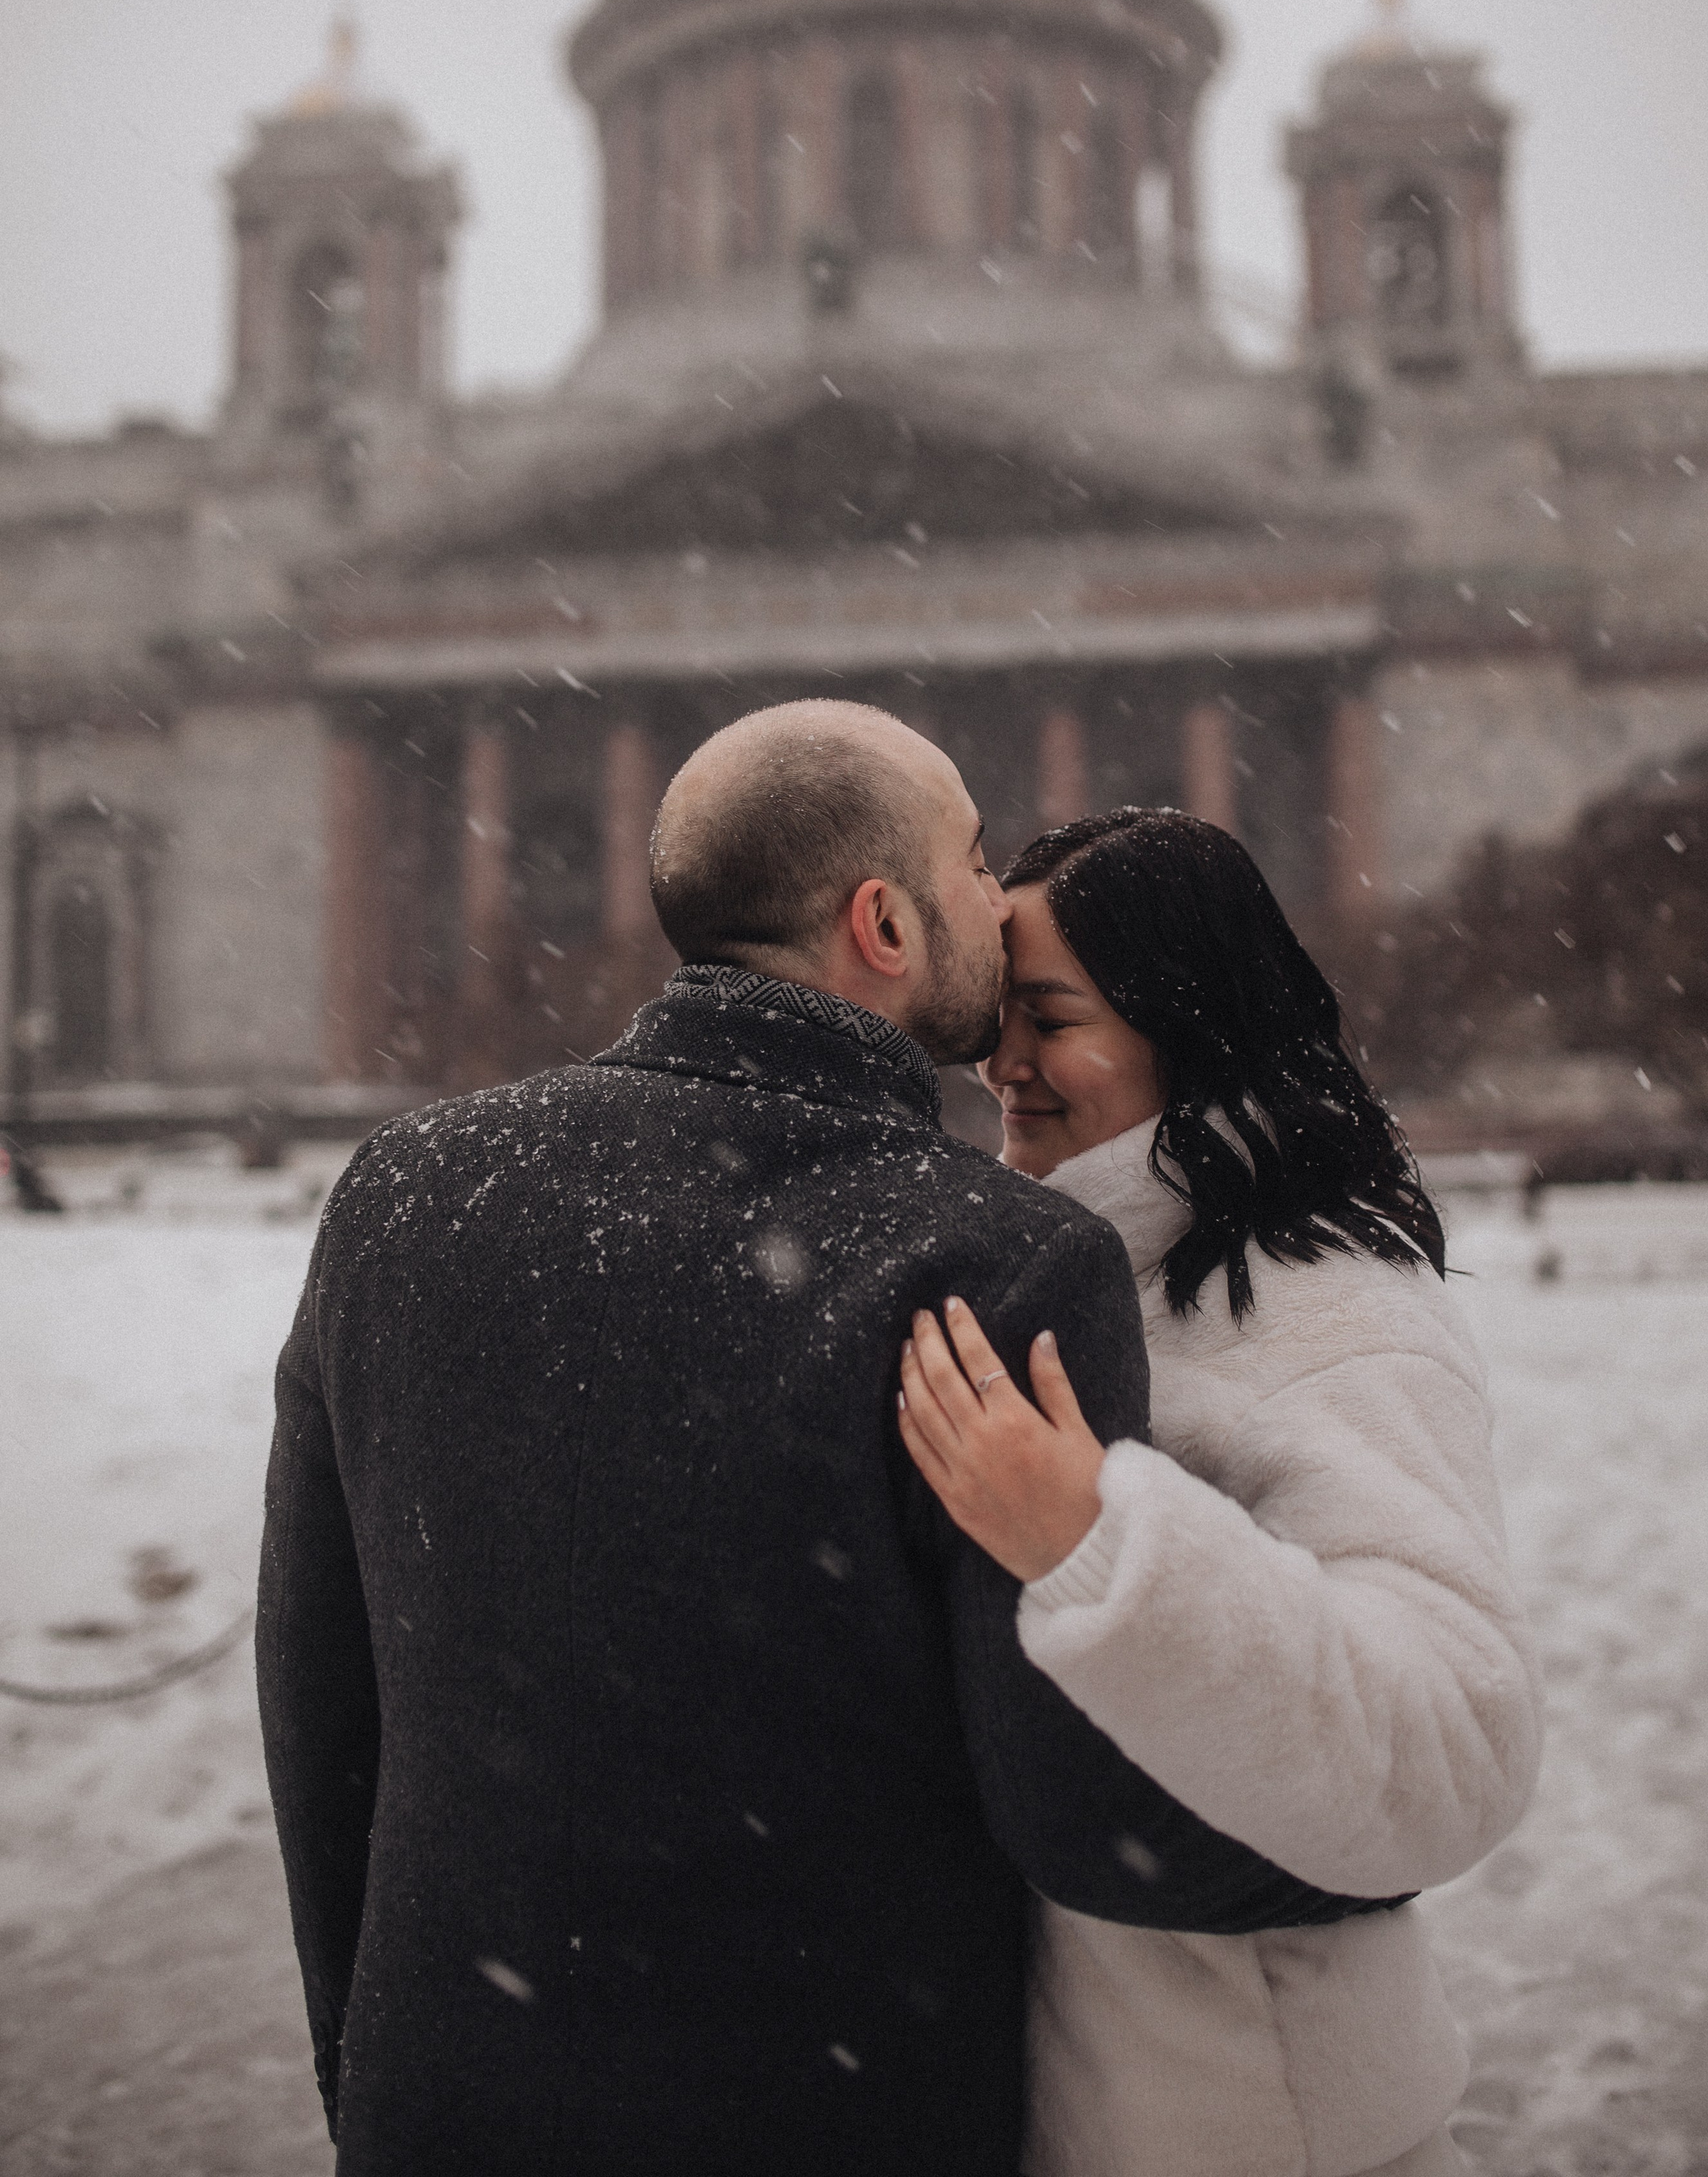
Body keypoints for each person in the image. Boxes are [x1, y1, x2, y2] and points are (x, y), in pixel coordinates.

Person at [258, 707, 1400, 2177]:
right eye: (974, 860)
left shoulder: (401, 1194)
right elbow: (1073, 1814)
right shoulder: (994, 1261)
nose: (1000, 900)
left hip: (448, 2105)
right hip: (831, 2114)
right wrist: (1360, 1854)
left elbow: (316, 1695)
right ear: (881, 922)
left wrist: (365, 2056)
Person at [899, 808, 1542, 2177]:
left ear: (1181, 1024)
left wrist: (1097, 1543)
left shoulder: (1326, 1305)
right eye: (996, 1016)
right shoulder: (1064, 1271)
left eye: (1050, 1017)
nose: (1003, 1063)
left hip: (1265, 2135)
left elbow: (1455, 1745)